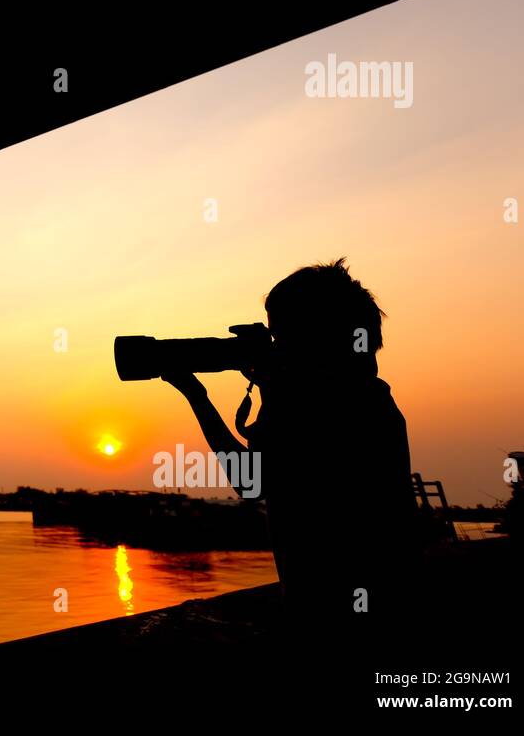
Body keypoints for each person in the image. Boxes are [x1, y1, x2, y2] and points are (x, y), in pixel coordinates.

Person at [161, 258, 420, 639]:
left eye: (280, 335)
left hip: (328, 619)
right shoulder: (372, 399)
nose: (274, 345)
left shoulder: (314, 401)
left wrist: (197, 395)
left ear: (315, 338)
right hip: (384, 608)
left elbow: (251, 483)